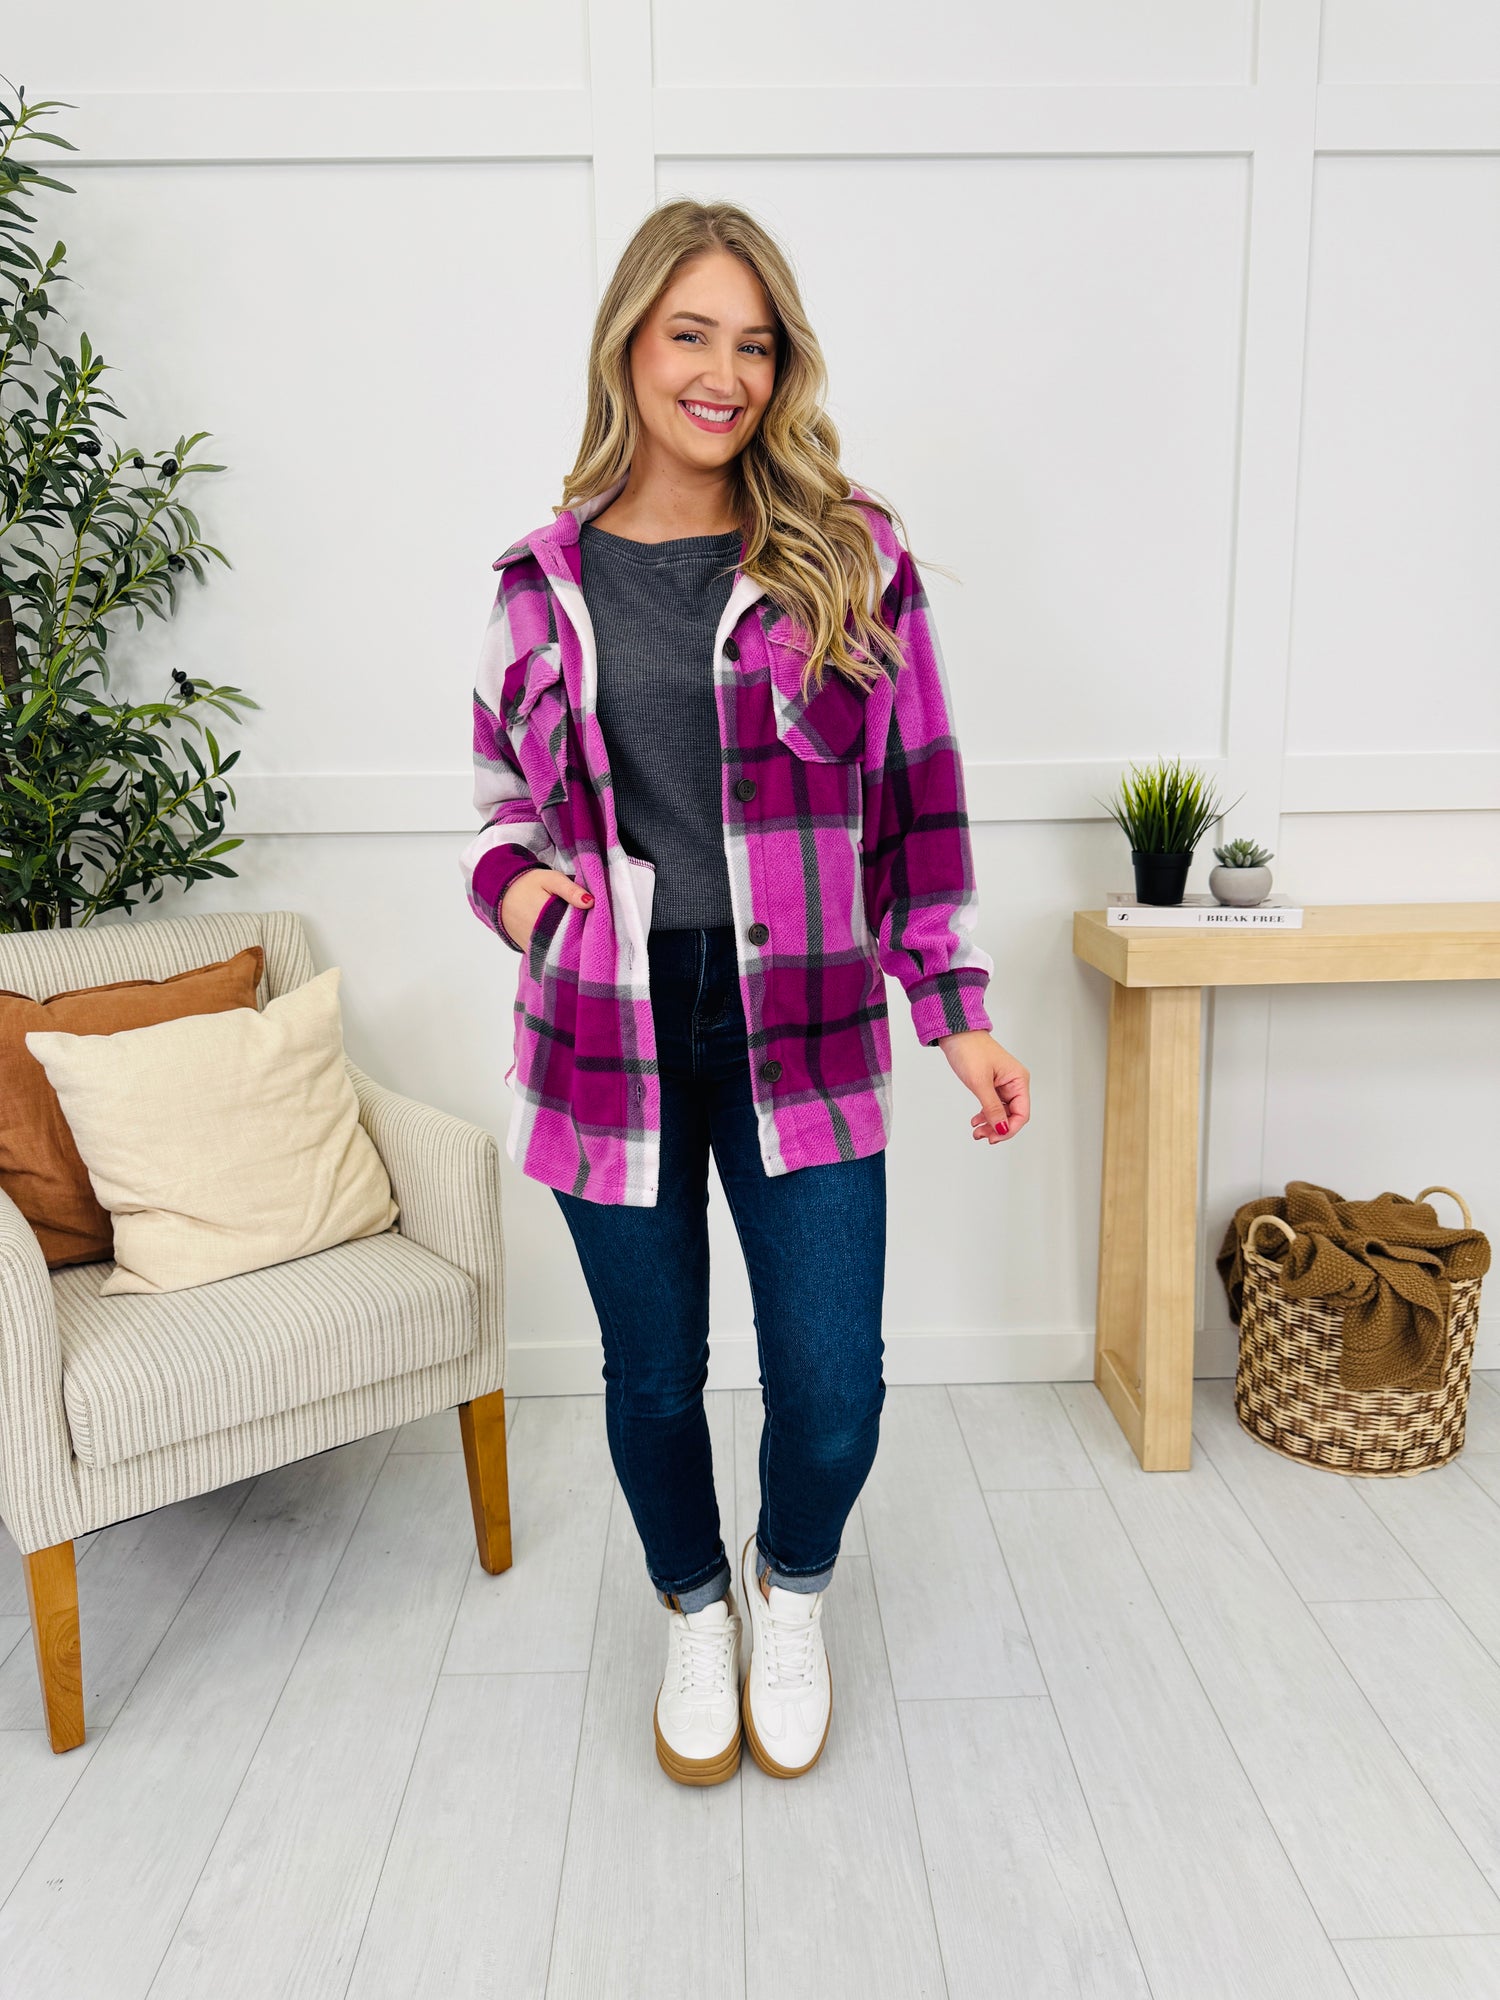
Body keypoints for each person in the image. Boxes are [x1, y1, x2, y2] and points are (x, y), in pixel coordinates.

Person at [461, 198, 1031, 1788]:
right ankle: (693, 1607)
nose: (722, 374)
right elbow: (501, 800)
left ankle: (792, 1590)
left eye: (754, 345)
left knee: (833, 1388)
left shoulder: (850, 554)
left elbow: (916, 799)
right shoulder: (538, 580)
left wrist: (958, 1008)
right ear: (629, 347)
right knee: (650, 1378)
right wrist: (520, 894)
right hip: (608, 1027)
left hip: (811, 1022)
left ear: (784, 369)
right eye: (690, 336)